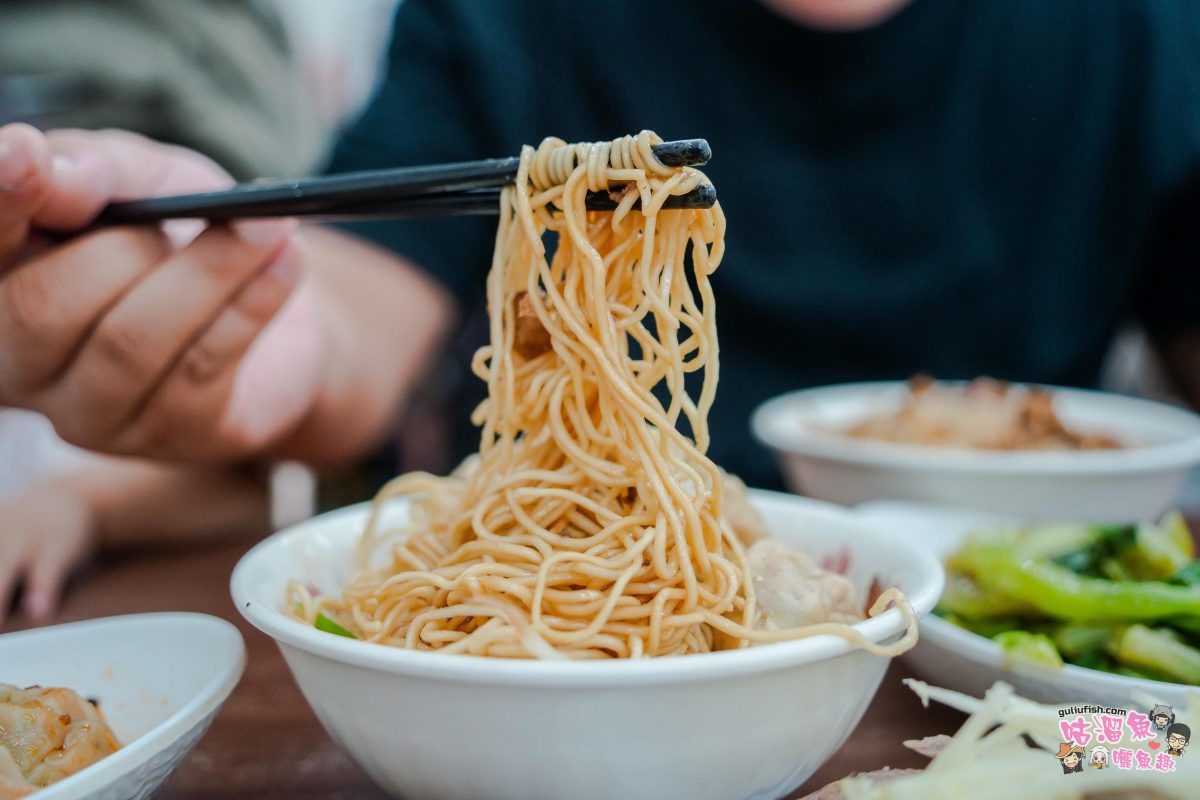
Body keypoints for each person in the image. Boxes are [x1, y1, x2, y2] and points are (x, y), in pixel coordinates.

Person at [2, 0, 1200, 609]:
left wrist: (1137, 739)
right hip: (567, 673)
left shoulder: (1152, 30)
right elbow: (359, 307)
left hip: (1034, 700)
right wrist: (243, 314)